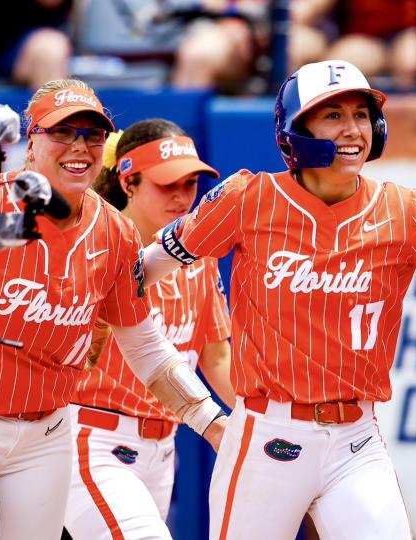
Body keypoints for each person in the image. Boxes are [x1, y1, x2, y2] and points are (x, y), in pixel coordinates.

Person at [139, 59, 416, 539]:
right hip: (267, 437)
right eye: (333, 115)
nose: (353, 129)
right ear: (295, 130)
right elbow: (144, 268)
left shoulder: (402, 209)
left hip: (356, 439)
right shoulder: (248, 197)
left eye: (361, 115)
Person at [0, 79, 227, 539]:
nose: (79, 146)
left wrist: (213, 422)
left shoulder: (114, 234)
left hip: (45, 438)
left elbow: (145, 345)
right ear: (32, 142)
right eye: (63, 132)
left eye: (92, 134)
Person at [64, 118, 235, 539]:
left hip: (163, 447)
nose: (181, 197)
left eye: (191, 183)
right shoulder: (91, 245)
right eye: (166, 184)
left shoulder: (199, 256)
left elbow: (216, 358)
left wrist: (270, 421)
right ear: (129, 182)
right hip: (92, 440)